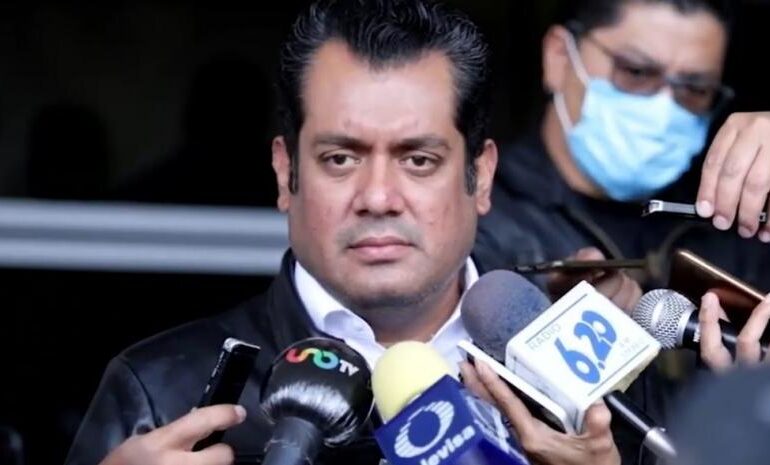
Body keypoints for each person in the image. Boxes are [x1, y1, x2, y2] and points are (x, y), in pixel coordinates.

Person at [64, 1, 650, 465]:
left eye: (418, 160)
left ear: (481, 176)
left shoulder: (590, 388)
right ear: (286, 174)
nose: (377, 197)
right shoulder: (163, 394)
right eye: (340, 159)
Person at [474, 0, 770, 302]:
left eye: (695, 89)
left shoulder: (735, 221)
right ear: (559, 56)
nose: (662, 111)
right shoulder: (476, 216)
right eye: (636, 71)